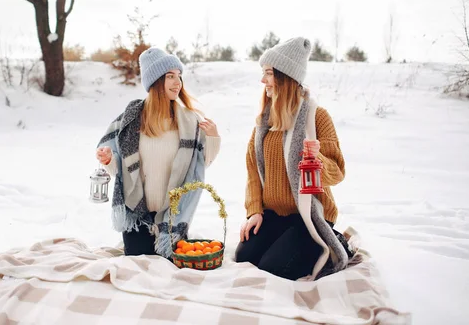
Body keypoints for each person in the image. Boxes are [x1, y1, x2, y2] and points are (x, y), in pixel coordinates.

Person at [235, 37, 350, 280]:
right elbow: (252, 171)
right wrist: (255, 211)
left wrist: (316, 157)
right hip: (274, 215)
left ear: (285, 76)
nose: (263, 80)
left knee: (273, 269)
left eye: (268, 73)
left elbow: (337, 171)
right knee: (245, 257)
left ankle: (330, 242)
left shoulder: (317, 118)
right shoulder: (264, 121)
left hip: (309, 216)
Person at [96, 47, 221, 258]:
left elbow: (201, 164)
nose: (177, 82)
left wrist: (213, 138)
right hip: (138, 217)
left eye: (179, 76)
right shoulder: (132, 120)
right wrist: (108, 160)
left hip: (171, 218)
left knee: (168, 271)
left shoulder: (189, 122)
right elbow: (121, 167)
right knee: (136, 267)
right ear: (155, 81)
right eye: (170, 76)